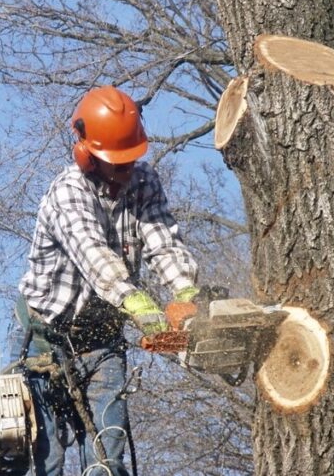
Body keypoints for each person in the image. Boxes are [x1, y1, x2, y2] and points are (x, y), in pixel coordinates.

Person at [16, 86, 200, 476]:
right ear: (86, 153)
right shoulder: (68, 193)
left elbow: (162, 239)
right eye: (117, 163)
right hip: (48, 337)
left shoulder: (144, 182)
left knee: (108, 456)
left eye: (130, 160)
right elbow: (94, 257)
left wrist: (184, 292)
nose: (125, 171)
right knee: (47, 461)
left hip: (102, 339)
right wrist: (138, 303)